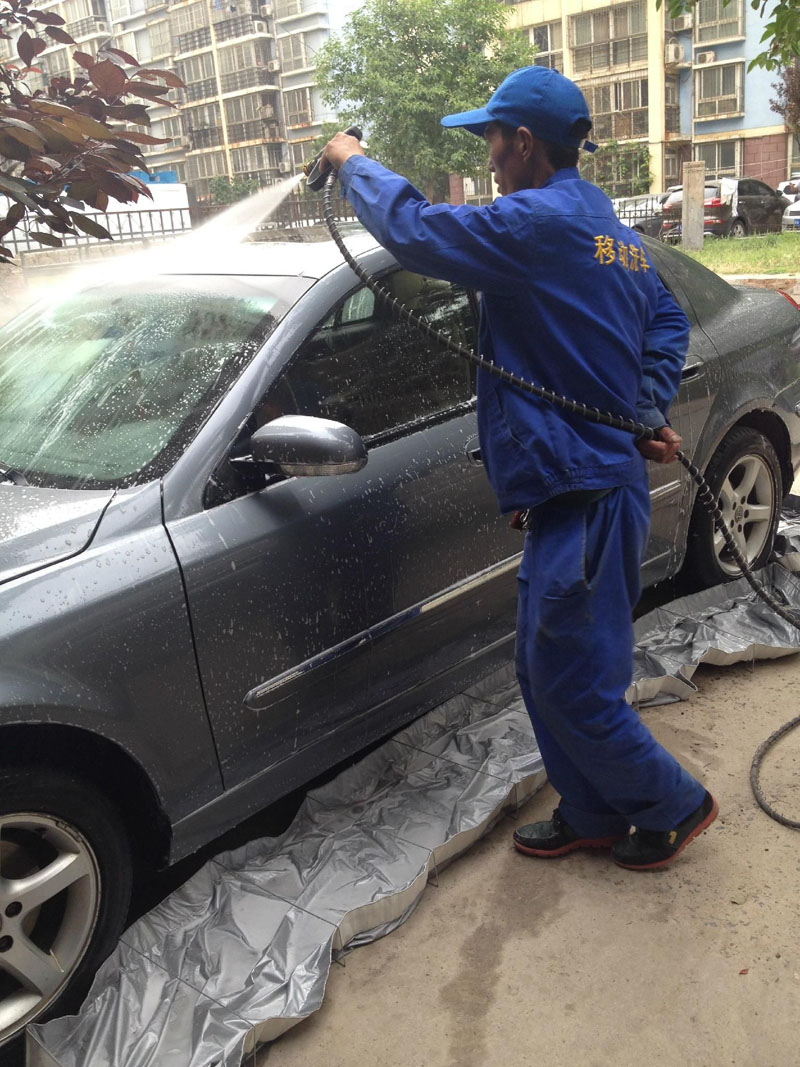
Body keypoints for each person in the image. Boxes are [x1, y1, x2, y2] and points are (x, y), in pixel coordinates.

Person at [321, 65, 717, 871]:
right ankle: (593, 811)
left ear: (525, 142)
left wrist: (349, 161)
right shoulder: (608, 230)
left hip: (589, 494)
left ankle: (672, 803)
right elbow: (666, 320)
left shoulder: (536, 224)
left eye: (493, 140)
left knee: (574, 682)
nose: (490, 157)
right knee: (543, 669)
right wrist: (644, 408)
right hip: (567, 488)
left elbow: (417, 230)